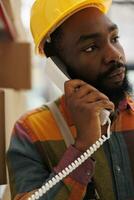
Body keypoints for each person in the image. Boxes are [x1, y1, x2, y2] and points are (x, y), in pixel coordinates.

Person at [7, 0, 134, 199]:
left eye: (114, 38)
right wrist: (82, 147)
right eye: (91, 48)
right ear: (59, 66)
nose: (115, 55)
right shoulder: (31, 130)